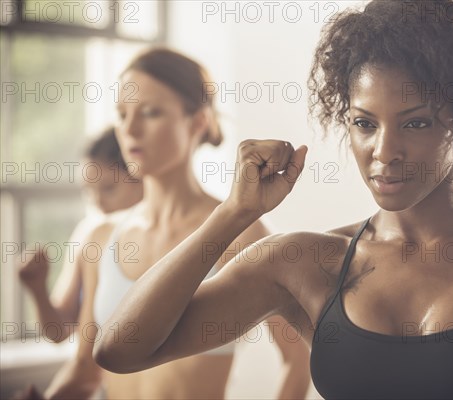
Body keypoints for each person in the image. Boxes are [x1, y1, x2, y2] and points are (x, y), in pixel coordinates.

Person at [94, 1, 453, 399]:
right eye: (364, 124)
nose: (384, 152)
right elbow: (120, 349)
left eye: (416, 122)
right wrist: (234, 214)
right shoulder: (303, 262)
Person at [41, 48, 310, 399]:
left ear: (198, 121)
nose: (130, 129)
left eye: (150, 113)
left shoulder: (242, 234)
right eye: (122, 114)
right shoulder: (101, 237)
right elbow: (86, 371)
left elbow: (297, 359)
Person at [18, 127, 143, 343]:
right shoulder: (87, 235)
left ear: (141, 177)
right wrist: (38, 289)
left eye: (109, 189)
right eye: (89, 190)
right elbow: (59, 332)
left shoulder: (163, 236)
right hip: (94, 372)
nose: (98, 202)